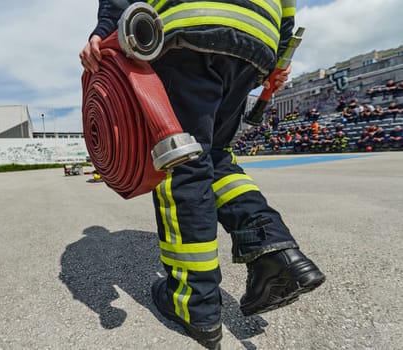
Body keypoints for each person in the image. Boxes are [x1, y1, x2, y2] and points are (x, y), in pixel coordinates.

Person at [80, 1, 325, 348]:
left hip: (188, 32)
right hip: (256, 41)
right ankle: (275, 251)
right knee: (217, 157)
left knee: (181, 162)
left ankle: (195, 303)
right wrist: (276, 59)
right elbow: (287, 11)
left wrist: (105, 29)